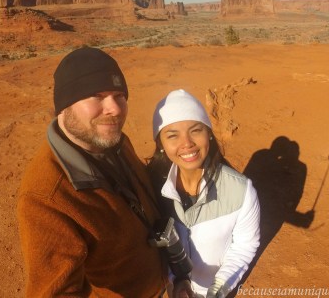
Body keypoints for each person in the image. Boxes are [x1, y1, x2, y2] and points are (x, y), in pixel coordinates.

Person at [17, 47, 167, 297]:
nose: (115, 109)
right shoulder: (47, 197)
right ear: (64, 106)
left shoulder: (115, 141)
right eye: (97, 96)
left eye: (119, 95)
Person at [148, 90, 260, 298]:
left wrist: (218, 290)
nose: (187, 143)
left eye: (195, 130)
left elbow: (245, 245)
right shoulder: (150, 190)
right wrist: (178, 282)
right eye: (172, 135)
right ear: (161, 144)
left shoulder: (241, 191)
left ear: (208, 133)